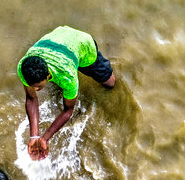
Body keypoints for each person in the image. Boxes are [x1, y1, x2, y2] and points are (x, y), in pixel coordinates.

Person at [18, 26, 117, 161]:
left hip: (83, 44)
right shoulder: (23, 66)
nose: (35, 90)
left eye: (38, 86)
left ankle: (97, 68)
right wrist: (35, 137)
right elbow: (31, 98)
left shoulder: (67, 77)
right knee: (62, 87)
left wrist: (46, 138)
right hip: (59, 36)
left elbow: (68, 110)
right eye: (32, 86)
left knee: (110, 83)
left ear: (48, 75)